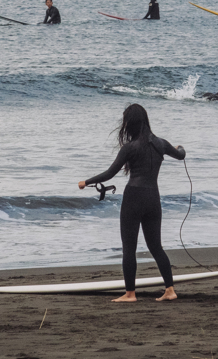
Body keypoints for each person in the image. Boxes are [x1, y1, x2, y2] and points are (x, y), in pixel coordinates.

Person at [78, 104, 184, 302]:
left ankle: (130, 294)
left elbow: (110, 173)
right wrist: (180, 148)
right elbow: (180, 155)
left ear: (130, 124)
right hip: (153, 197)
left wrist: (87, 182)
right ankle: (170, 290)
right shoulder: (161, 143)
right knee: (156, 247)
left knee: (129, 247)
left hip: (134, 197)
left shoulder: (130, 148)